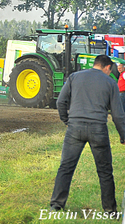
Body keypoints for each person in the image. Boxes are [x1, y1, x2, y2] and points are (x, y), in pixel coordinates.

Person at [50, 55, 125, 213]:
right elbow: (118, 115)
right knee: (105, 171)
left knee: (66, 167)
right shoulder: (111, 83)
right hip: (98, 129)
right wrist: (123, 135)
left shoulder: (74, 77)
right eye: (110, 69)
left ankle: (56, 205)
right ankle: (110, 211)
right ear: (107, 67)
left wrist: (67, 121)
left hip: (75, 128)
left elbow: (60, 102)